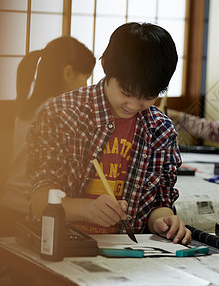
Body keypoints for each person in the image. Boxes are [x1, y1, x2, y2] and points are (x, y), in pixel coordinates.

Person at [27, 22, 191, 244]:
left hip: (127, 250)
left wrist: (163, 221)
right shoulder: (62, 114)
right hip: (60, 243)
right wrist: (86, 209)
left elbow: (160, 202)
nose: (134, 105)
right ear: (105, 66)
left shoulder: (160, 130)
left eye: (148, 97)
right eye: (126, 92)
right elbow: (39, 200)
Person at [0, 36, 96, 229]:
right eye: (85, 77)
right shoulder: (56, 111)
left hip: (7, 205)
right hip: (29, 211)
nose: (86, 86)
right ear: (68, 73)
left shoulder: (29, 106)